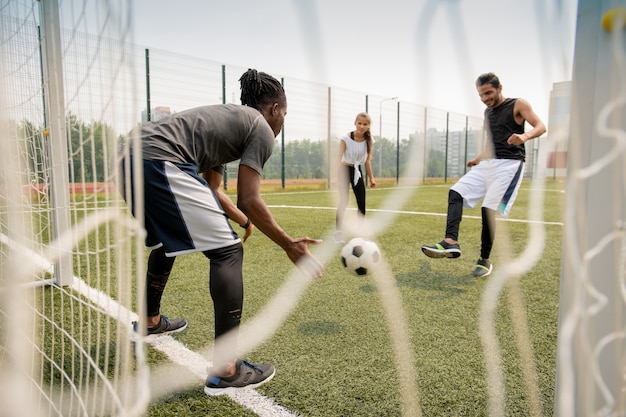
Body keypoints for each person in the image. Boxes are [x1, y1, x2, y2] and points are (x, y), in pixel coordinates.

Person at [116, 69, 323, 396]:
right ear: (273, 109)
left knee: (167, 243)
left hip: (129, 155)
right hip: (160, 158)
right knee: (228, 252)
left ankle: (150, 321)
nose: (283, 121)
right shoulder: (261, 128)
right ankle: (227, 369)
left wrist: (243, 221)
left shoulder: (229, 122)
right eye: (284, 113)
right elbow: (250, 197)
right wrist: (288, 244)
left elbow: (211, 190)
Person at [421, 72, 546, 277]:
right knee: (456, 192)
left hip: (510, 165)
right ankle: (451, 241)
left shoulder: (518, 104)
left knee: (488, 209)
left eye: (488, 93)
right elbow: (490, 142)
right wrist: (479, 158)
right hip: (488, 163)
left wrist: (524, 136)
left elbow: (541, 126)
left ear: (499, 88)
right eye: (481, 95)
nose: (485, 98)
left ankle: (485, 260)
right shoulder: (487, 113)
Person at [334, 112, 377, 242]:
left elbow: (367, 161)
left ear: (369, 126)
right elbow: (338, 158)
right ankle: (338, 232)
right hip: (344, 170)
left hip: (357, 170)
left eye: (365, 124)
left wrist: (372, 178)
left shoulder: (369, 140)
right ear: (355, 123)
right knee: (344, 201)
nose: (362, 126)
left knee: (362, 202)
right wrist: (334, 176)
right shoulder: (345, 138)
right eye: (360, 123)